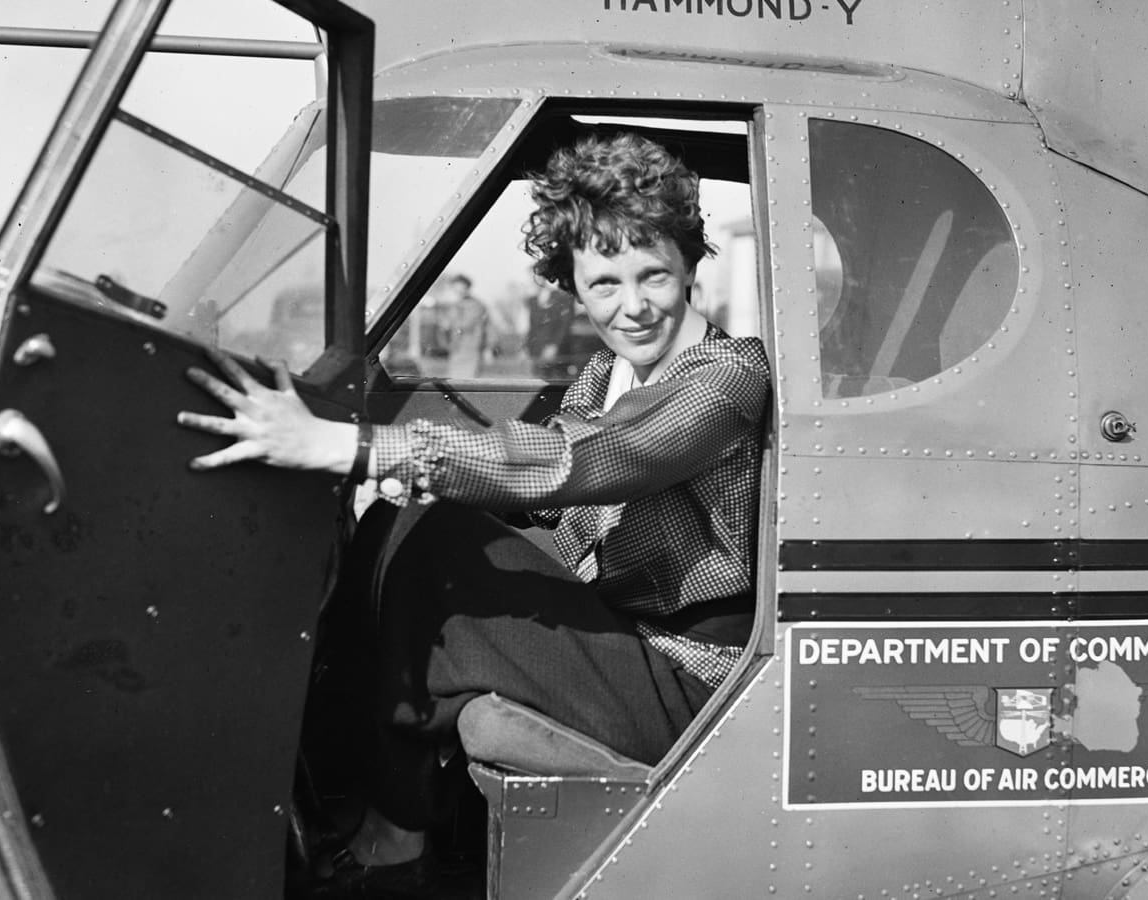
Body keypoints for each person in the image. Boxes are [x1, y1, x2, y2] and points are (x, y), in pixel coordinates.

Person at [177, 132, 769, 896]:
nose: (634, 305)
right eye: (605, 283)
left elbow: (578, 462)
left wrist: (354, 446)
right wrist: (417, 485)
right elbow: (564, 515)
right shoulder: (605, 374)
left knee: (443, 546)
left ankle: (395, 836)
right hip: (627, 638)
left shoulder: (724, 378)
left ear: (690, 263)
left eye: (654, 274)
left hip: (692, 683)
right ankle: (337, 800)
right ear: (574, 285)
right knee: (408, 523)